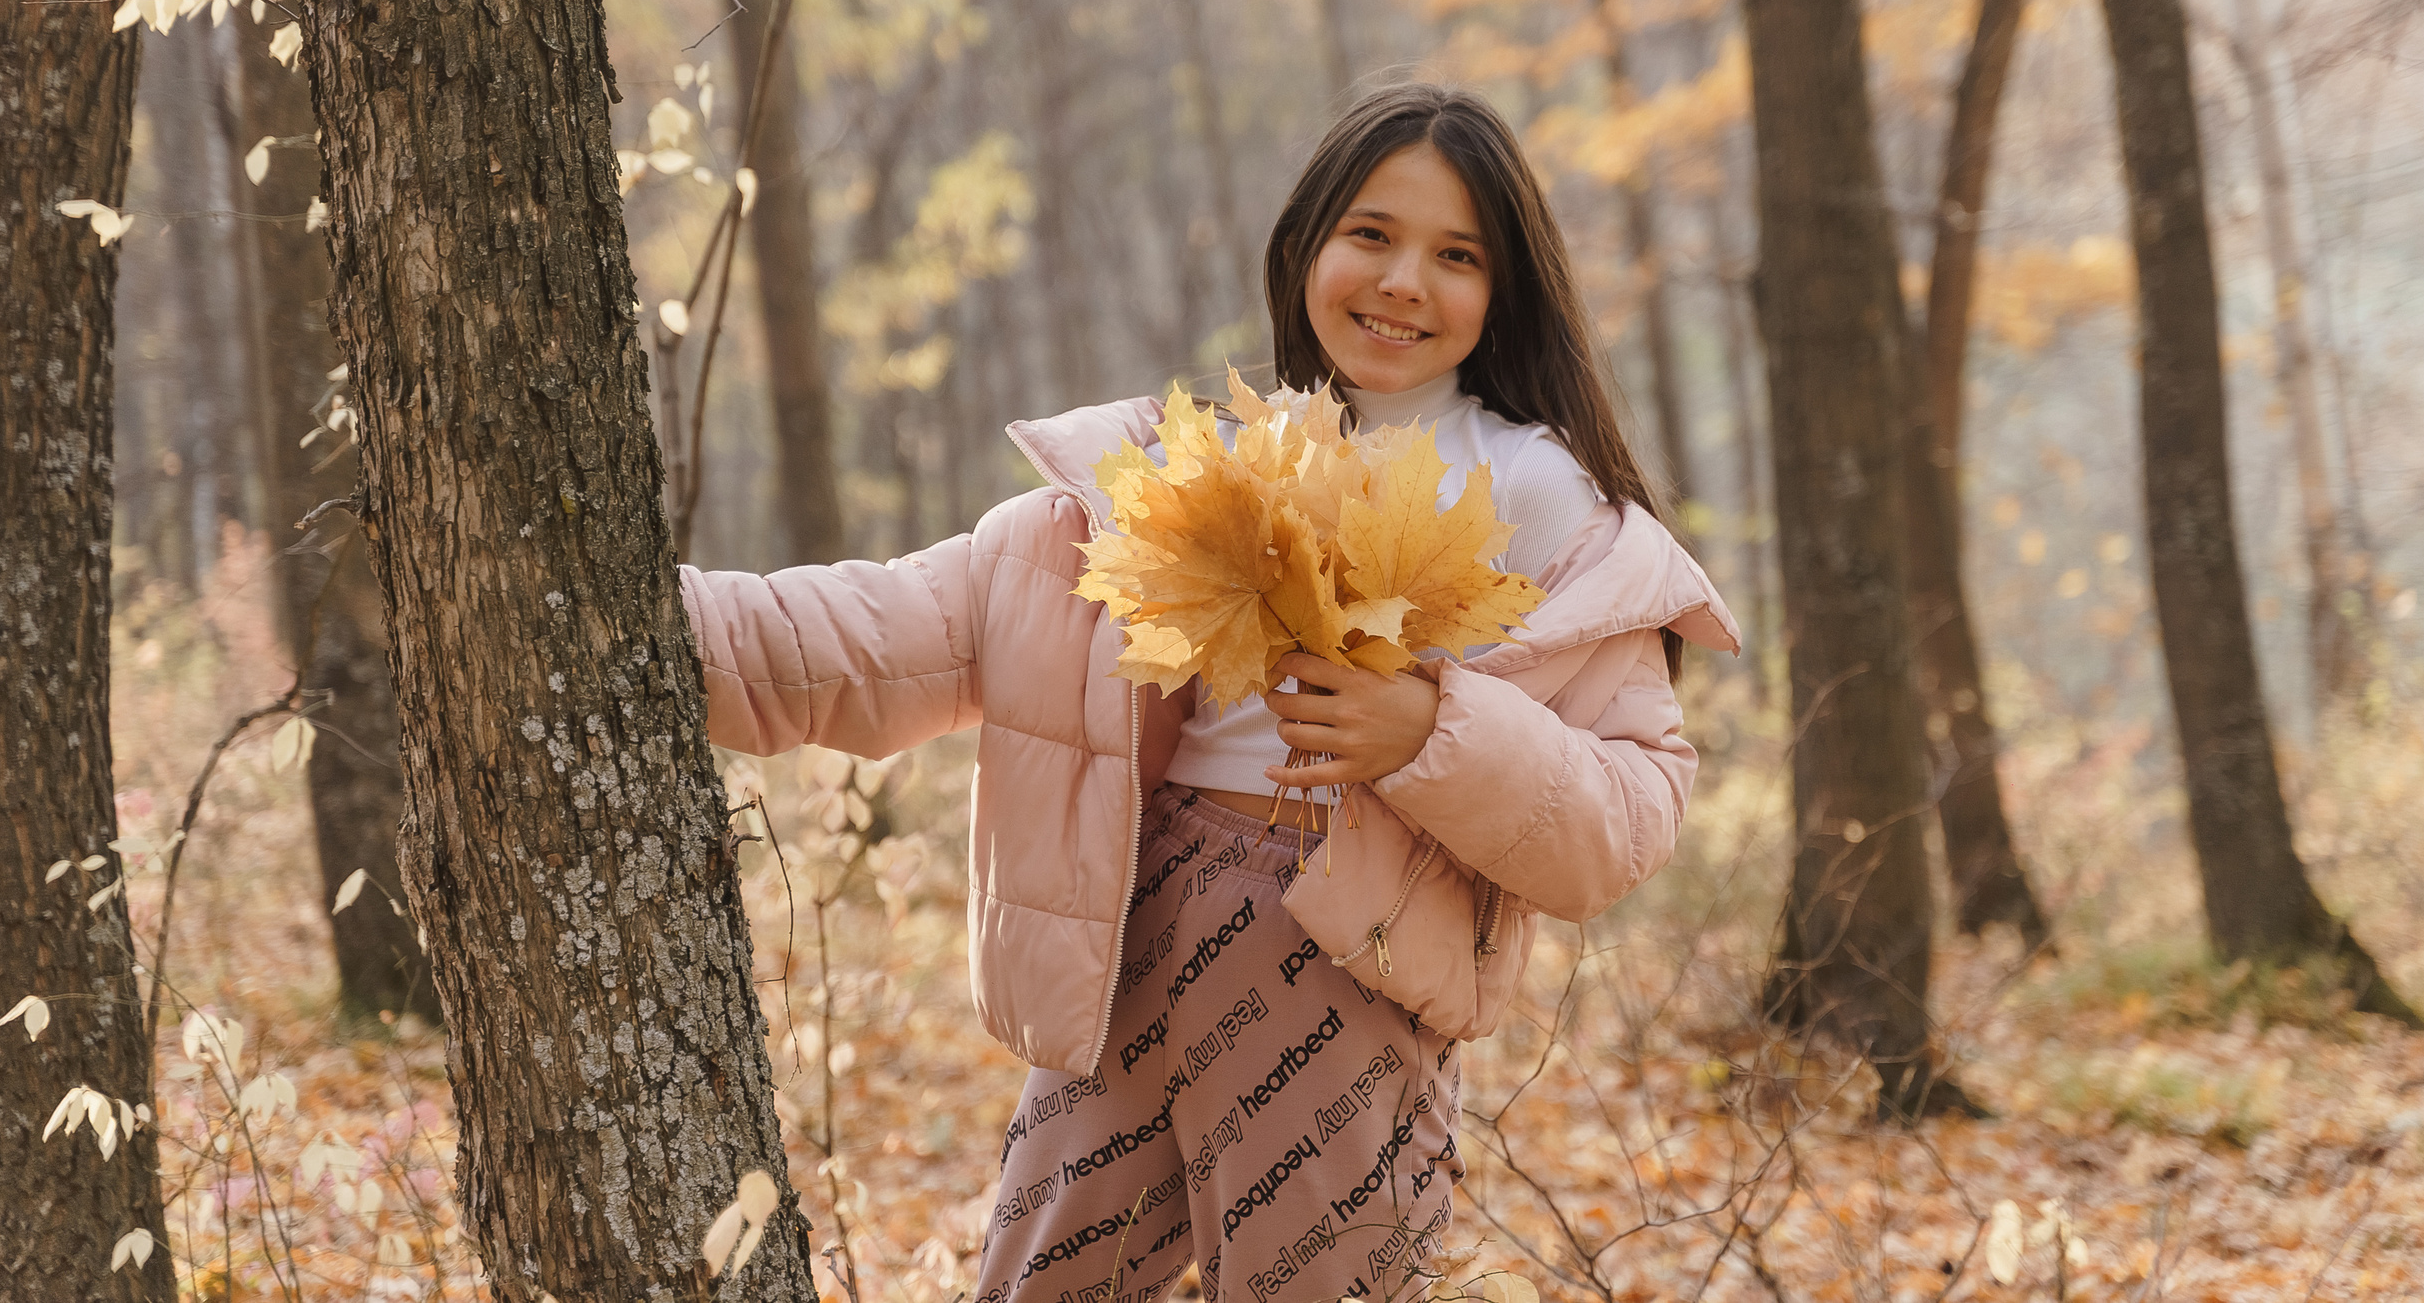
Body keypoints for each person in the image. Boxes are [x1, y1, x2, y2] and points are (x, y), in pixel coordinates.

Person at [680, 84, 1740, 1303]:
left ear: (1503, 292)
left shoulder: (1536, 490)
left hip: (1344, 948)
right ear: (1304, 247)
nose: (1403, 281)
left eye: (1457, 256)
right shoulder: (1194, 468)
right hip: (1137, 915)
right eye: (1371, 235)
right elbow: (908, 626)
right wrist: (652, 628)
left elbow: (1633, 806)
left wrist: (1430, 734)